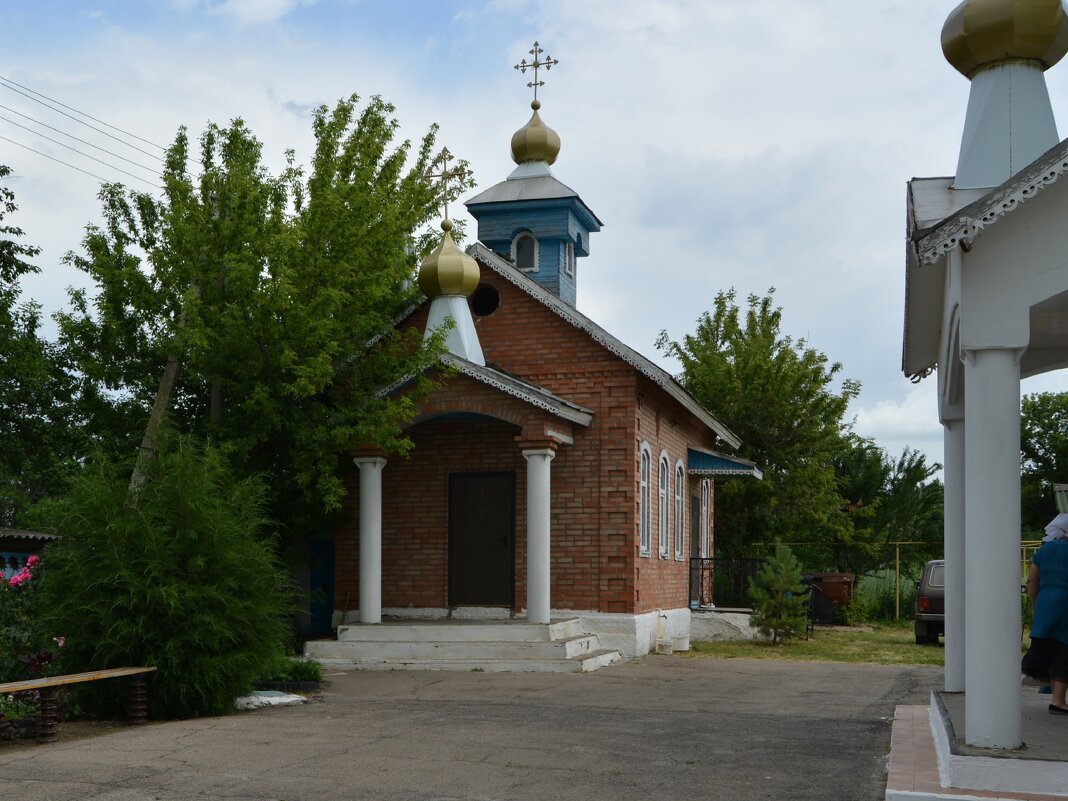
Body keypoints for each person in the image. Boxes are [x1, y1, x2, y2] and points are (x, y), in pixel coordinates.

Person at [1025, 514, 1068, 715]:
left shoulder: (1045, 550)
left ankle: (1056, 698)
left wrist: (1037, 605)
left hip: (1046, 603)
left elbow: (1032, 581)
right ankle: (1058, 701)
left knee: (1050, 648)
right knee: (1064, 649)